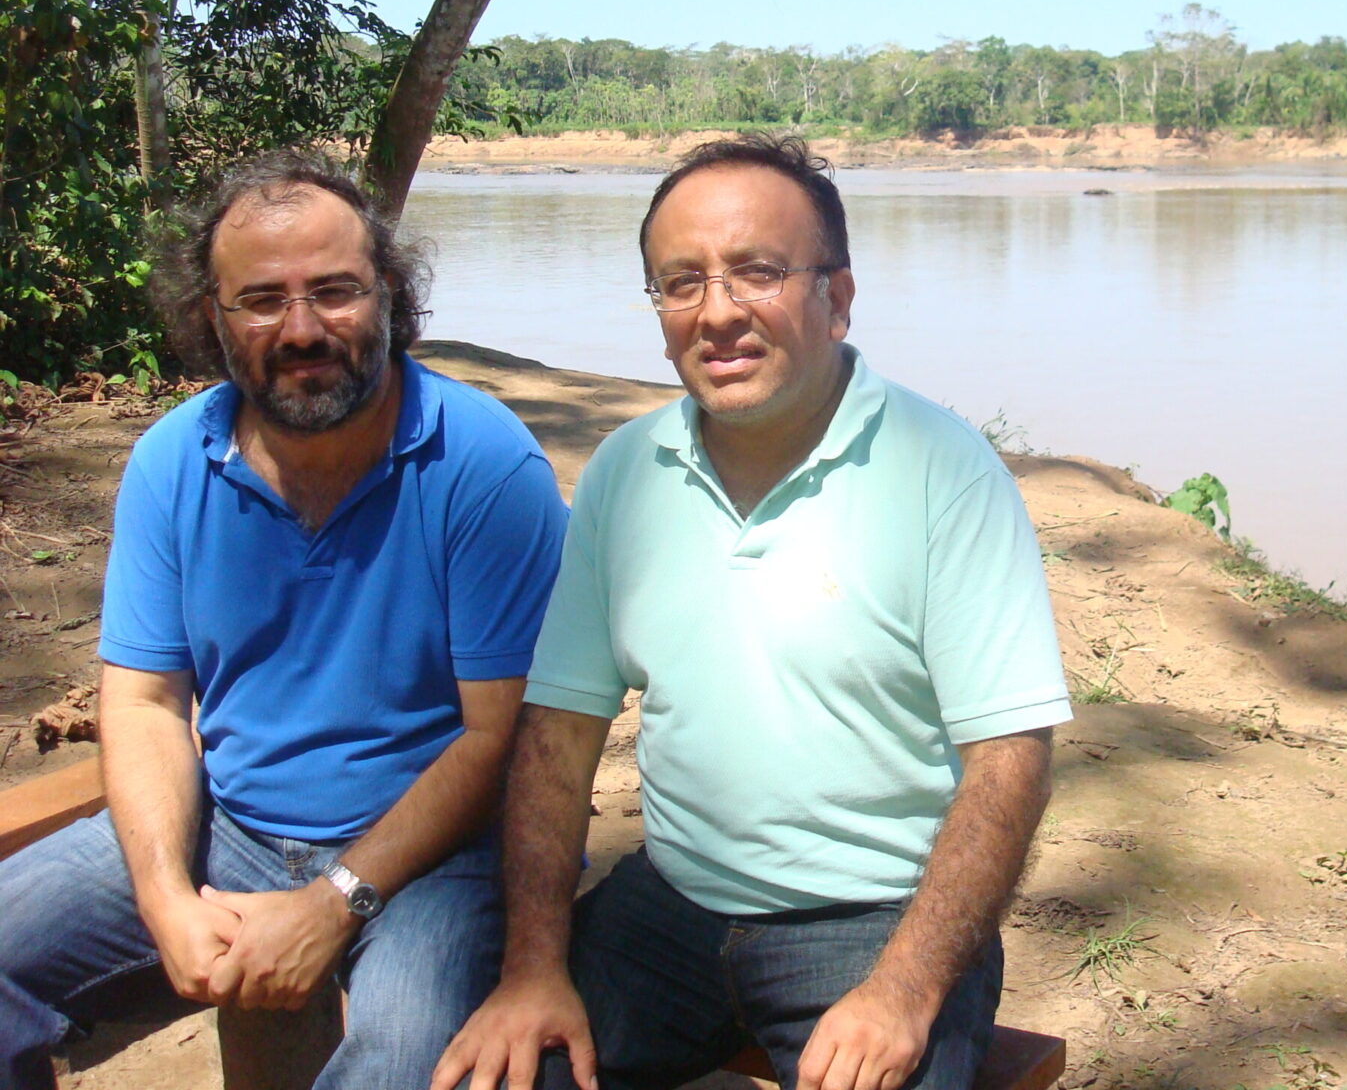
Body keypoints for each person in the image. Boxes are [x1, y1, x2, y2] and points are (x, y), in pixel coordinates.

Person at [434, 134, 1071, 1090]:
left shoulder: (943, 473)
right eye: (680, 282)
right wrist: (533, 967)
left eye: (758, 272)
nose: (717, 312)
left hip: (878, 917)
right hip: (669, 905)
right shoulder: (625, 473)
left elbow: (1009, 758)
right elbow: (559, 732)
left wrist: (903, 988)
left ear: (839, 296)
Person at [0, 152, 570, 1090]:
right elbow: (144, 703)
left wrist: (334, 900)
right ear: (213, 316)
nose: (302, 329)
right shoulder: (172, 461)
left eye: (335, 292)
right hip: (229, 822)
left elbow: (496, 735)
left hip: (437, 855)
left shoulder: (481, 463)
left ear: (388, 291)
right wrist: (165, 898)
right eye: (262, 300)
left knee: (408, 1065)